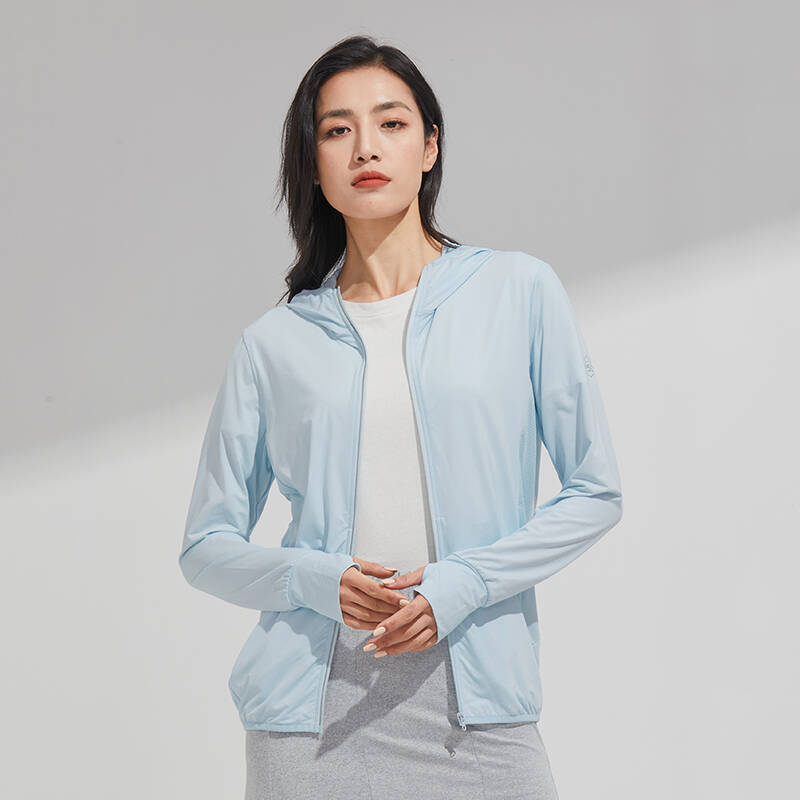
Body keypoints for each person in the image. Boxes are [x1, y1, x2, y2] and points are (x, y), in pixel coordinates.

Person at [179, 34, 623, 800]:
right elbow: (205, 547)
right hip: (308, 718)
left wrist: (464, 582)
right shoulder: (273, 344)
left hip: (479, 704)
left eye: (391, 122)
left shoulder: (518, 292)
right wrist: (313, 579)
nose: (365, 147)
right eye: (337, 129)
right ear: (313, 165)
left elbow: (595, 492)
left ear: (430, 146)